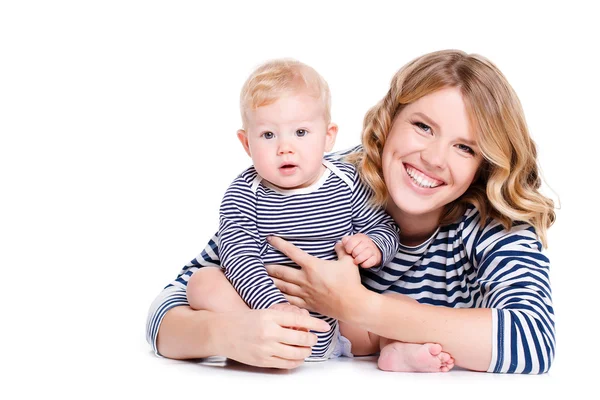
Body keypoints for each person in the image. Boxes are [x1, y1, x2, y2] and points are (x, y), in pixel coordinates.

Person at [146, 49, 556, 374]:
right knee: (206, 283)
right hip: (283, 333)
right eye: (423, 126)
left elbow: (534, 342)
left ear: (485, 164)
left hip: (349, 335)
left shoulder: (493, 221)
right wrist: (224, 335)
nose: (433, 158)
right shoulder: (320, 182)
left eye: (465, 147)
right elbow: (170, 304)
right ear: (388, 120)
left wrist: (357, 306)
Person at [184, 59, 400, 361]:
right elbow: (238, 256)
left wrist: (374, 245)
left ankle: (396, 351)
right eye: (268, 135)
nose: (285, 147)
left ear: (328, 136)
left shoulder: (347, 181)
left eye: (300, 132)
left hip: (338, 321)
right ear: (246, 143)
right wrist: (274, 306)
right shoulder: (244, 193)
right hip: (268, 318)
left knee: (398, 308)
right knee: (202, 283)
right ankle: (272, 346)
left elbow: (385, 226)